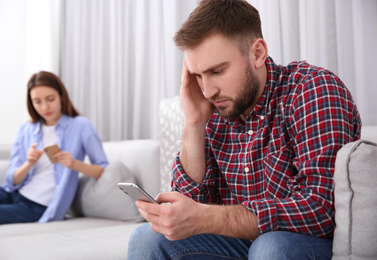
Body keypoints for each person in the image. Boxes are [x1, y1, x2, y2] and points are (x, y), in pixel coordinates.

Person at [128, 0, 362, 259]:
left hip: (304, 243)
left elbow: (321, 210)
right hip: (243, 244)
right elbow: (190, 213)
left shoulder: (312, 90)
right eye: (197, 75)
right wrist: (193, 123)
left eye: (217, 71)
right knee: (147, 239)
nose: (207, 90)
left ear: (258, 53)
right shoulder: (215, 108)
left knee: (271, 248)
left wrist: (206, 217)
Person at [0, 71, 108, 225]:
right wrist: (28, 164)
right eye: (37, 102)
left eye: (50, 99)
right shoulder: (25, 129)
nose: (45, 107)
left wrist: (74, 164)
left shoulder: (81, 126)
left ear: (61, 96)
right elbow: (12, 181)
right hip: (11, 193)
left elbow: (102, 169)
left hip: (38, 206)